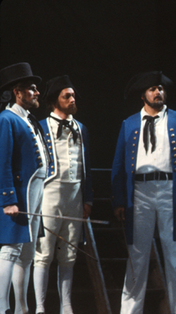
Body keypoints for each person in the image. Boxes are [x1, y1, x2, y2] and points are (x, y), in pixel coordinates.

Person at [111, 71, 176, 313]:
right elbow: (118, 164)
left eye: (160, 88)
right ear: (143, 95)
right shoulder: (129, 124)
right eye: (152, 89)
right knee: (137, 255)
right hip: (140, 192)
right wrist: (119, 199)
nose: (158, 92)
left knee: (175, 254)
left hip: (170, 190)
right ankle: (130, 311)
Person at [33, 75, 93, 314]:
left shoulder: (82, 128)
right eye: (66, 96)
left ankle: (66, 306)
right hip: (50, 194)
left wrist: (87, 198)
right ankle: (39, 307)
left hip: (75, 196)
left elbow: (87, 167)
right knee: (44, 254)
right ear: (54, 100)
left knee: (69, 255)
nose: (71, 99)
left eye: (73, 95)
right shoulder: (41, 126)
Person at [0, 62, 47, 314]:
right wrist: (8, 198)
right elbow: (2, 161)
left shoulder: (28, 119)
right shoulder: (7, 119)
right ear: (17, 92)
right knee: (11, 248)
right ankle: (1, 306)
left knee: (27, 252)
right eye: (31, 88)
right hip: (19, 192)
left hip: (36, 190)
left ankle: (21, 307)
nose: (37, 92)